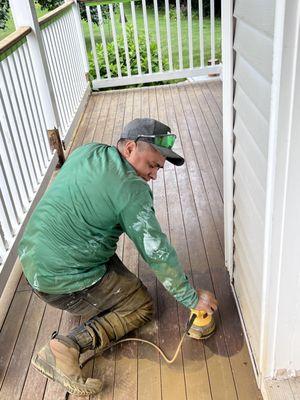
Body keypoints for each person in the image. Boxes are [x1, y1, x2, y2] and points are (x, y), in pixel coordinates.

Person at [18, 118, 218, 396]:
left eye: (158, 168)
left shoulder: (89, 151)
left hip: (33, 256)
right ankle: (67, 347)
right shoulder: (131, 191)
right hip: (59, 280)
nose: (154, 175)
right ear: (130, 148)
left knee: (112, 258)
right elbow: (156, 252)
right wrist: (191, 298)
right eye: (151, 165)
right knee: (140, 305)